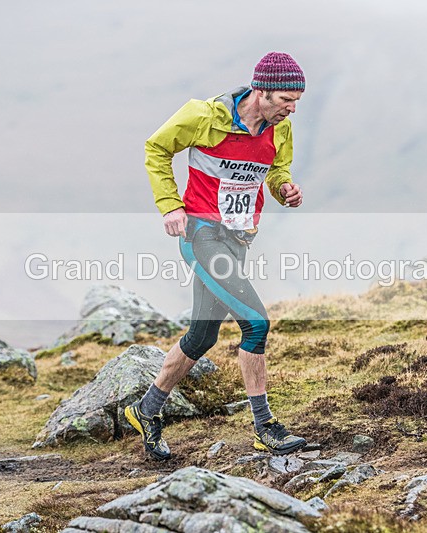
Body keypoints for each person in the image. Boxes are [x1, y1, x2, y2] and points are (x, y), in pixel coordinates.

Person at [125, 52, 308, 460]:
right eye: (285, 99)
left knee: (202, 336)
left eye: (297, 101)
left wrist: (284, 189)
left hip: (238, 240)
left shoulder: (281, 129)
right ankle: (265, 428)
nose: (291, 109)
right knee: (256, 323)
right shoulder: (204, 117)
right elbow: (156, 148)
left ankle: (146, 409)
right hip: (202, 235)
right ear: (260, 91)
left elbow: (277, 171)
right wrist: (170, 205)